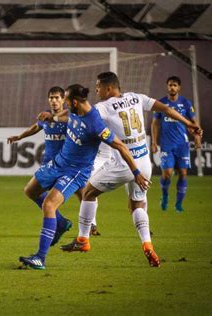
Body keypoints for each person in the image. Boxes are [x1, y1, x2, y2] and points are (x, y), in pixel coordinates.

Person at [60, 72, 202, 268]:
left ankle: (82, 240)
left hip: (124, 165)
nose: (96, 90)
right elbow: (166, 109)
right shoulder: (137, 98)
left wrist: (53, 116)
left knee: (88, 193)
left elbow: (81, 112)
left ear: (109, 88)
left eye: (98, 87)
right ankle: (148, 246)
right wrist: (189, 124)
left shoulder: (103, 107)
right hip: (144, 163)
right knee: (137, 205)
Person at [19, 84, 150, 270]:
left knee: (49, 204)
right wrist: (53, 116)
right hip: (58, 162)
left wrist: (136, 173)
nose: (62, 103)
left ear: (73, 102)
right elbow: (65, 116)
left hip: (75, 171)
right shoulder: (74, 111)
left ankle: (40, 258)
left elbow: (120, 146)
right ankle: (61, 222)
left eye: (65, 99)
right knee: (30, 190)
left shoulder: (95, 123)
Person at [8, 86, 72, 246]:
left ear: (64, 100)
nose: (54, 100)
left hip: (66, 166)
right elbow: (35, 128)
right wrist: (19, 136)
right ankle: (61, 222)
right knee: (32, 192)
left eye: (57, 97)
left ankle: (86, 225)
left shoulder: (69, 118)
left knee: (81, 195)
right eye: (51, 98)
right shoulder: (45, 117)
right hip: (49, 165)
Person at [151, 76, 201, 212]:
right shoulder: (160, 103)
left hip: (182, 144)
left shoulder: (186, 103)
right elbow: (155, 123)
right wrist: (154, 142)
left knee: (183, 173)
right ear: (167, 87)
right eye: (170, 85)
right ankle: (165, 196)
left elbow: (194, 122)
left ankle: (179, 204)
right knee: (167, 173)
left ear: (179, 88)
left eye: (175, 85)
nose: (172, 87)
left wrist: (197, 138)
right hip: (166, 144)